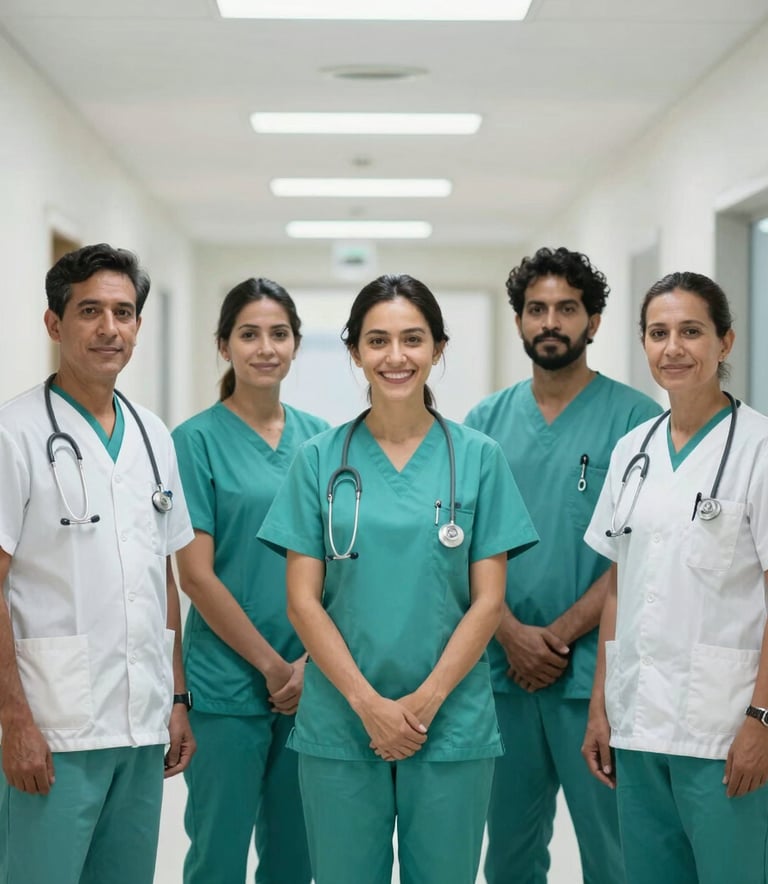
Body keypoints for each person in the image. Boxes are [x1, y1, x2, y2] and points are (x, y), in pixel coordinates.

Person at [256, 273, 538, 884]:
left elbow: (489, 603)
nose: (396, 357)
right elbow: (303, 602)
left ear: (438, 348)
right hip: (340, 719)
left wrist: (423, 704)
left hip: (451, 721)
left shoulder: (479, 458)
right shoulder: (320, 460)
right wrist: (368, 706)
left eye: (413, 339)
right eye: (378, 341)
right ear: (355, 351)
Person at [465, 246, 661, 884]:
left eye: (567, 309)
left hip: (595, 678)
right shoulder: (482, 426)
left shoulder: (637, 423)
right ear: (519, 320)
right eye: (537, 309)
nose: (551, 322)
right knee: (510, 854)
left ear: (594, 321)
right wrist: (510, 633)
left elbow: (641, 553)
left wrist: (557, 635)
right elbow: (458, 547)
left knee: (615, 851)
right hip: (501, 672)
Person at [0, 243, 195, 884]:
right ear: (55, 324)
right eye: (90, 311)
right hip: (53, 728)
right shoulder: (15, 433)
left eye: (123, 311)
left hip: (139, 724)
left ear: (139, 325)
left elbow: (160, 573)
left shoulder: (153, 435)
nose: (109, 328)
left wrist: (175, 696)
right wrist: (14, 720)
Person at [583, 271, 768, 884]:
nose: (673, 348)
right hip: (638, 722)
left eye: (691, 331)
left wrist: (762, 719)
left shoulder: (760, 449)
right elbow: (619, 584)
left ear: (726, 342)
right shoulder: (633, 451)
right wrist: (600, 709)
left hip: (724, 730)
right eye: (658, 333)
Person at [172, 278, 328, 884]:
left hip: (313, 677)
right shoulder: (195, 441)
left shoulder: (323, 439)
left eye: (279, 334)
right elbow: (196, 576)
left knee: (297, 855)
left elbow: (340, 563)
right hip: (227, 686)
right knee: (218, 852)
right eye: (249, 334)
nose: (265, 347)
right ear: (224, 345)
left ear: (295, 345)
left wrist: (309, 664)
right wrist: (272, 667)